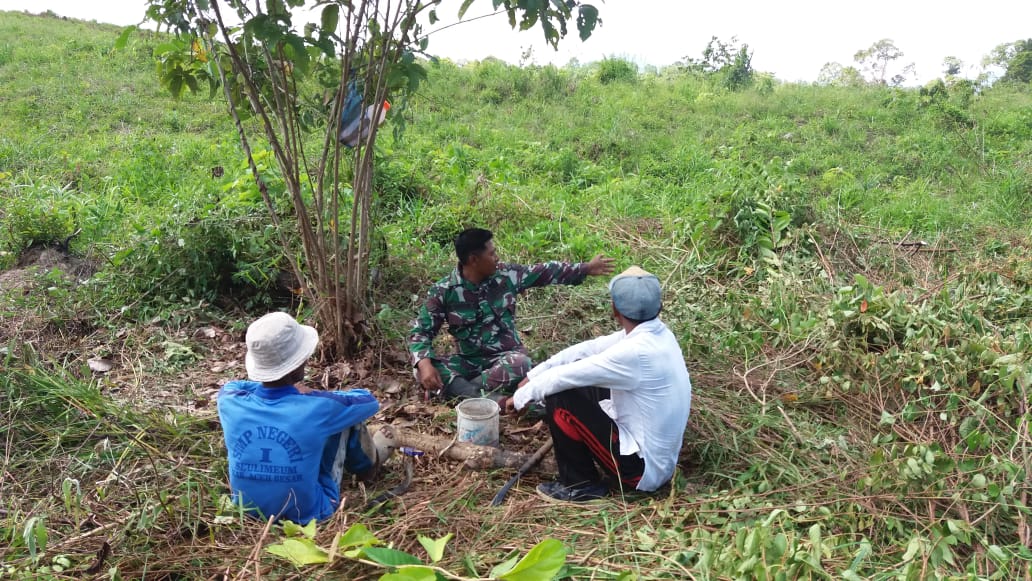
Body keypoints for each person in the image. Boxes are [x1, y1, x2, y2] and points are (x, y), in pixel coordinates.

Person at [501, 266, 692, 503]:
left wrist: (518, 397)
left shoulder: (635, 353)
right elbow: (588, 349)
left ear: (614, 309)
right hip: (659, 460)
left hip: (641, 471)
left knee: (560, 398)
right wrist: (536, 374)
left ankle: (580, 485)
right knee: (574, 385)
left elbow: (564, 377)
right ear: (659, 307)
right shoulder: (656, 335)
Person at [409, 227, 615, 402]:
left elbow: (544, 272)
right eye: (491, 253)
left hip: (506, 358)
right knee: (423, 368)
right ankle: (484, 399)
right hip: (468, 360)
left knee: (521, 364)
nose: (496, 257)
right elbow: (420, 333)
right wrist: (425, 364)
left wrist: (585, 268)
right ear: (473, 259)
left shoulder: (506, 276)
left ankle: (463, 394)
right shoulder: (444, 290)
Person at [217, 312, 380, 523]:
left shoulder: (229, 401)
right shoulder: (317, 407)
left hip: (246, 512)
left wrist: (274, 386)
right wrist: (309, 393)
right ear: (298, 365)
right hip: (309, 514)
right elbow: (368, 401)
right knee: (347, 420)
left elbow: (234, 385)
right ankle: (367, 471)